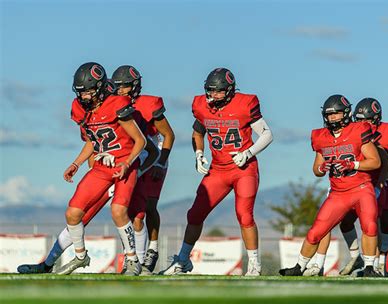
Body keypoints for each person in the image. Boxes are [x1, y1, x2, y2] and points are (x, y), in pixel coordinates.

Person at [17, 78, 158, 275]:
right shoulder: (83, 109)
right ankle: (77, 258)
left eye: (88, 91)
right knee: (73, 214)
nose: (84, 96)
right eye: (81, 92)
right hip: (101, 168)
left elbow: (144, 143)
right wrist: (77, 163)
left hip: (126, 167)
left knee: (125, 213)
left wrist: (129, 164)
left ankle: (134, 260)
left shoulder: (120, 106)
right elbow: (94, 140)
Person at [160, 68, 273, 276]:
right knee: (195, 214)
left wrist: (248, 153)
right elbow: (197, 131)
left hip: (243, 169)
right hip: (218, 170)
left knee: (244, 215)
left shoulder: (244, 104)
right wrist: (199, 153)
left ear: (230, 90)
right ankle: (183, 260)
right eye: (210, 91)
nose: (214, 95)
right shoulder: (202, 106)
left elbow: (267, 134)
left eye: (219, 91)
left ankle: (254, 264)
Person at [279, 94, 381, 277]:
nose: (332, 118)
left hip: (361, 189)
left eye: (336, 114)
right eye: (329, 115)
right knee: (316, 231)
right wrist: (321, 167)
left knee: (370, 225)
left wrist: (353, 164)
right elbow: (316, 170)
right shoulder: (321, 137)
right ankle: (299, 266)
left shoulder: (358, 130)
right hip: (338, 193)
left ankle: (370, 267)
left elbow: (375, 162)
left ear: (346, 113)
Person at [332, 98, 388, 277]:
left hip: (387, 180)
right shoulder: (353, 130)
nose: (363, 124)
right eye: (359, 119)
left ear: (377, 118)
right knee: (346, 220)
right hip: (362, 180)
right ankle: (359, 258)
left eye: (367, 120)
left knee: (382, 220)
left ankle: (379, 264)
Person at [112, 65, 175, 275]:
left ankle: (152, 249)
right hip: (134, 153)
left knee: (148, 206)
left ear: (135, 86)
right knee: (130, 210)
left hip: (154, 152)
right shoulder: (114, 104)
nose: (120, 91)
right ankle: (133, 257)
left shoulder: (148, 104)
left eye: (124, 87)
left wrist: (160, 162)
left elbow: (169, 135)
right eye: (117, 87)